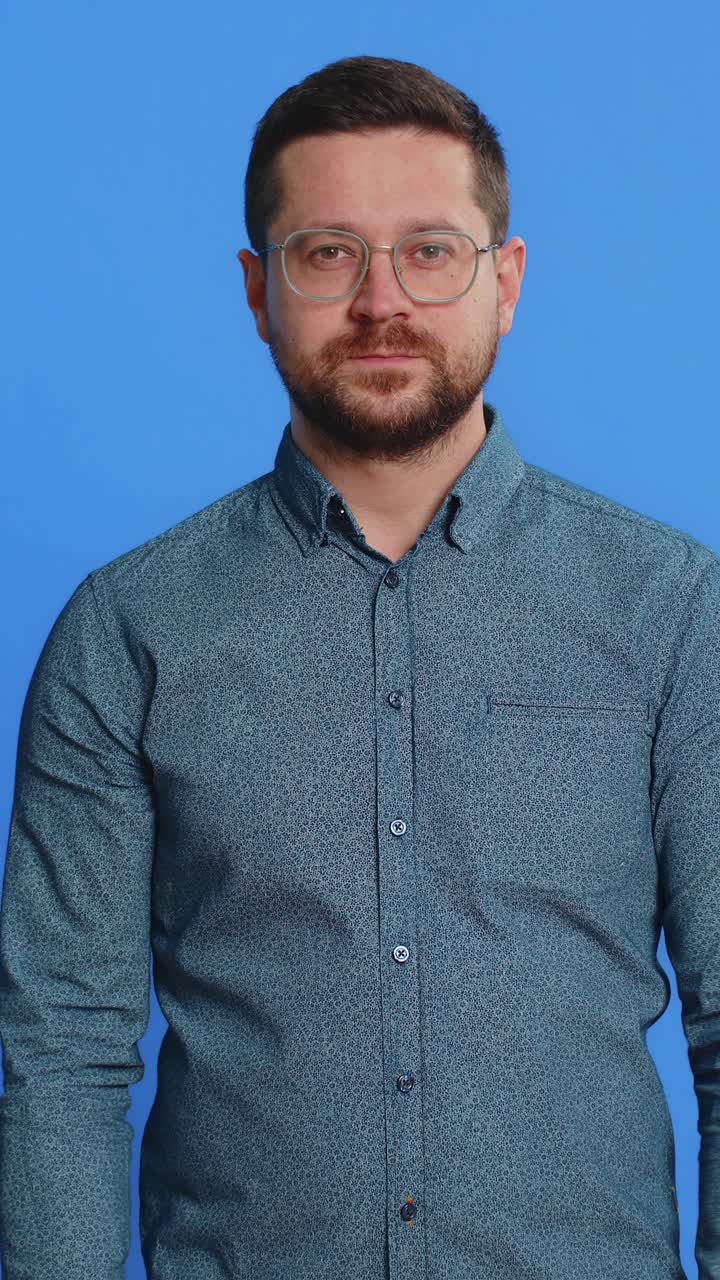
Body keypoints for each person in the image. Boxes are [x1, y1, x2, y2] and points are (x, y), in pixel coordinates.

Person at [0, 52, 718, 1280]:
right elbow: (58, 1045)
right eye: (328, 252)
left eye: (431, 250)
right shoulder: (128, 628)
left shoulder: (673, 610)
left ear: (508, 280)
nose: (382, 300)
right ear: (257, 286)